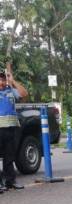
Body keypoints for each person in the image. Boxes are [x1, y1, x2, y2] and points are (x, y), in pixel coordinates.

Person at [0, 63, 27, 192]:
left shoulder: (10, 91)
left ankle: (10, 181)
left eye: (3, 79)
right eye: (0, 80)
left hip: (11, 128)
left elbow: (24, 94)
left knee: (9, 156)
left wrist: (13, 81)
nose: (1, 82)